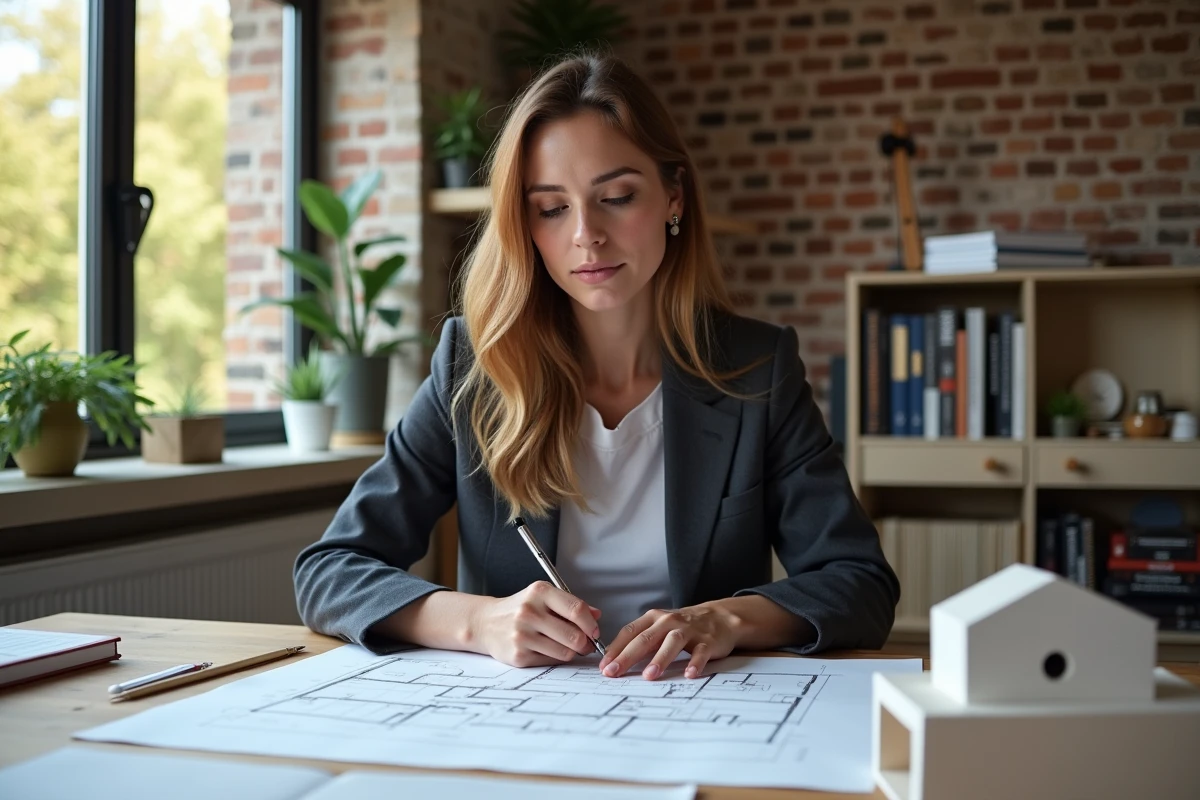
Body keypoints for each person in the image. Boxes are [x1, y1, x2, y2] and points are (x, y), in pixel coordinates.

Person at [294, 52, 899, 682]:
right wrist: (478, 622)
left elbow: (859, 583)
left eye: (615, 196)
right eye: (552, 208)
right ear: (524, 225)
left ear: (673, 197)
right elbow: (331, 571)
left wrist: (727, 620)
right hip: (520, 717)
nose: (586, 234)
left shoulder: (756, 369)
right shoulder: (475, 366)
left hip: (701, 709)